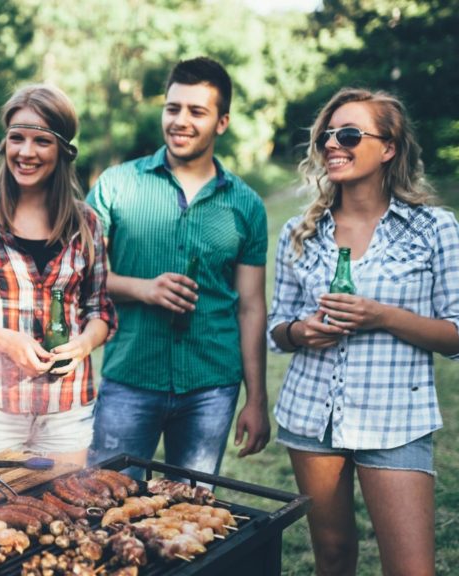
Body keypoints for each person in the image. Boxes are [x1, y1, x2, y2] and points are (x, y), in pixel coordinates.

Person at [268, 88, 459, 575]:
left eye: (349, 134)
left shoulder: (435, 229)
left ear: (388, 148)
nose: (333, 145)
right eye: (328, 135)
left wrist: (381, 316)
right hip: (311, 419)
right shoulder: (301, 231)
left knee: (410, 569)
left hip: (396, 420)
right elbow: (276, 328)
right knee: (334, 557)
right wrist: (303, 331)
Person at [86, 57, 270, 480]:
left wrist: (256, 399)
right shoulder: (116, 186)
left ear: (222, 122)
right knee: (106, 505)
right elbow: (84, 279)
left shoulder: (247, 205)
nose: (180, 121)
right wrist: (143, 289)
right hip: (130, 377)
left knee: (189, 519)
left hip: (211, 386)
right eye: (173, 108)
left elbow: (251, 308)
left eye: (196, 111)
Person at [0, 84, 115, 466]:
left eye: (41, 141)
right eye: (17, 138)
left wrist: (81, 345)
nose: (26, 152)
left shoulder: (87, 223)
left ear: (63, 150)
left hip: (65, 406)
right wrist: (4, 341)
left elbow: (101, 311)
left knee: (64, 515)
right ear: (5, 144)